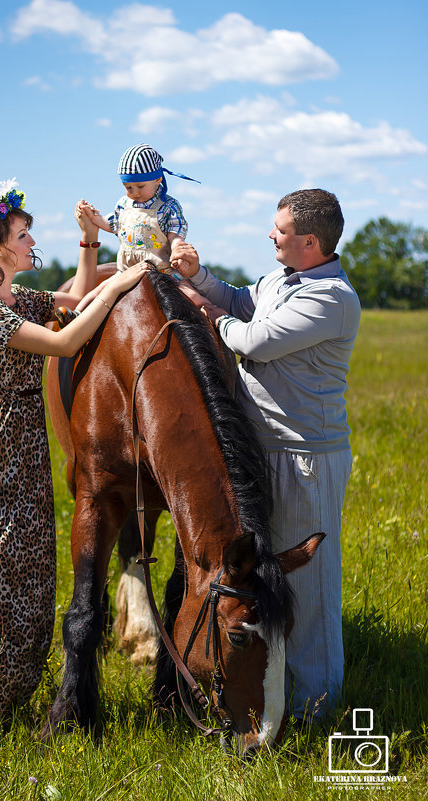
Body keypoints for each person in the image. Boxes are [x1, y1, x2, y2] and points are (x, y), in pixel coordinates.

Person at [0, 179, 147, 719]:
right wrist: (119, 287)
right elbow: (66, 341)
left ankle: (5, 692)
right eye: (23, 235)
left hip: (21, 438)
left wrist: (90, 243)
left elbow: (74, 301)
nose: (30, 242)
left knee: (21, 562)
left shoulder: (17, 297)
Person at [171, 189, 361, 721]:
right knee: (266, 579)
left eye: (279, 230)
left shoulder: (332, 299)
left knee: (309, 584)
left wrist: (203, 310)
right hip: (265, 450)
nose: (270, 236)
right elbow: (242, 302)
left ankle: (316, 707)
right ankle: (269, 689)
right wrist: (200, 275)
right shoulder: (282, 279)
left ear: (310, 241)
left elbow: (253, 339)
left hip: (306, 457)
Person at [75, 143, 206, 312]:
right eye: (128, 187)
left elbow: (175, 233)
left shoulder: (167, 206)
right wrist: (93, 217)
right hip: (126, 270)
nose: (134, 192)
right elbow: (113, 225)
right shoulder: (123, 204)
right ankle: (75, 315)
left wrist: (176, 249)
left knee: (193, 297)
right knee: (98, 292)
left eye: (140, 187)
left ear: (158, 179)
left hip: (162, 271)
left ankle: (213, 316)